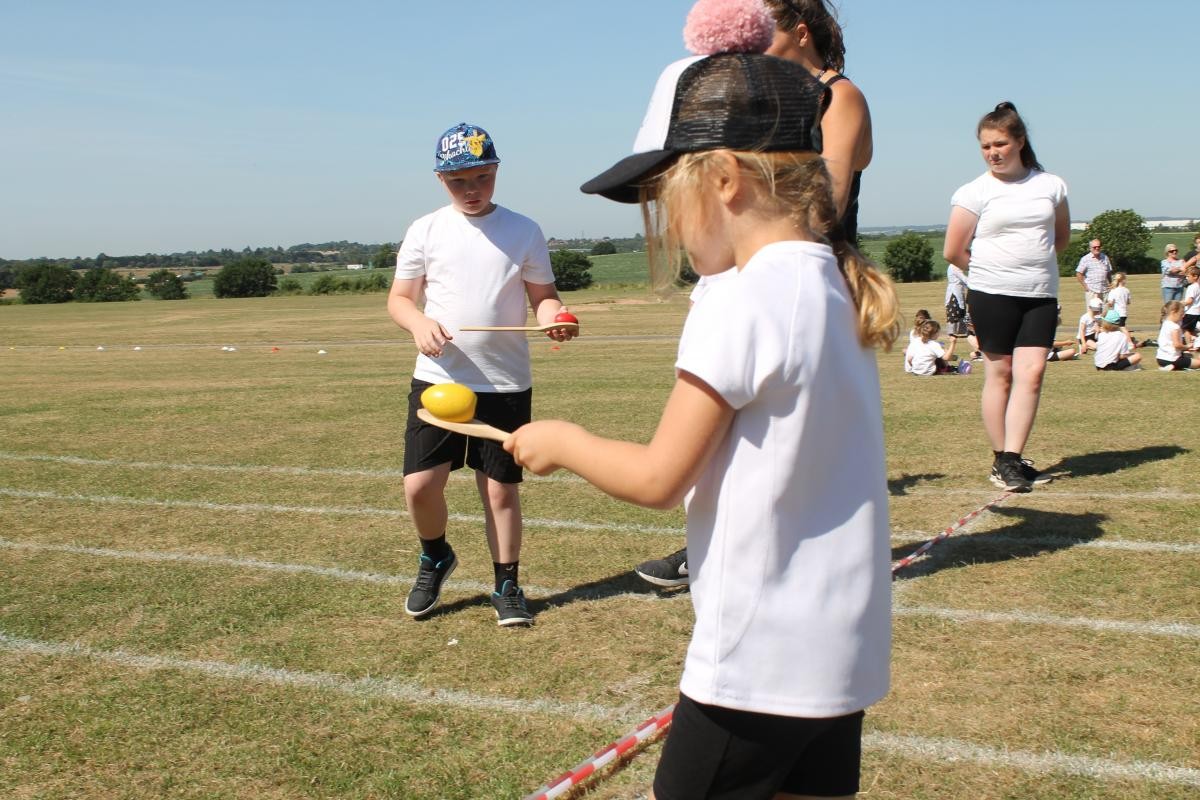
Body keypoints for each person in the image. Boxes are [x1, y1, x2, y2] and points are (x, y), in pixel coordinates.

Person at [516, 53, 899, 800]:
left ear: (725, 179)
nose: (671, 226)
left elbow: (660, 477)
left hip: (757, 664)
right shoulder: (831, 280)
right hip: (841, 654)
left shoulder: (740, 298)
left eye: (668, 196)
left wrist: (560, 442)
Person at [636, 0, 876, 590]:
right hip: (762, 263)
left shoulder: (835, 95)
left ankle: (745, 556)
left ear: (799, 30)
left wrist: (767, 255)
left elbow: (828, 199)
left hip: (792, 271)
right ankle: (717, 544)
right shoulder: (764, 91)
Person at [387, 121, 575, 627]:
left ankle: (507, 583)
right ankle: (435, 556)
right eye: (459, 182)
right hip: (440, 379)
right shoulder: (425, 230)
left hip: (505, 382)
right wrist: (420, 323)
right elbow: (400, 301)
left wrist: (554, 318)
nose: (472, 190)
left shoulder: (524, 230)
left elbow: (544, 298)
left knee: (499, 488)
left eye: (482, 178)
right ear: (441, 180)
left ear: (496, 171)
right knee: (420, 485)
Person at [944, 102, 1069, 492]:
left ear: (1019, 141)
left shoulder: (1051, 185)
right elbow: (954, 250)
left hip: (1040, 295)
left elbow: (1059, 239)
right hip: (991, 294)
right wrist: (988, 275)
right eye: (985, 146)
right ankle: (1002, 459)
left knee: (1032, 375)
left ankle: (1013, 458)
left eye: (999, 143)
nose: (992, 152)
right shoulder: (974, 192)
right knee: (1000, 375)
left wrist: (1031, 269)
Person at [944, 262, 981, 362]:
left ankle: (978, 350)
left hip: (958, 298)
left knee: (964, 327)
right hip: (954, 298)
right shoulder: (954, 267)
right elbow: (965, 280)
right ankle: (950, 353)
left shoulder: (955, 267)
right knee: (954, 327)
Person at [1156, 301, 1200, 371]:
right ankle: (1172, 366)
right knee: (1198, 363)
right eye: (1181, 314)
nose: (1183, 316)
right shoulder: (1174, 327)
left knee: (1188, 356)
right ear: (1173, 312)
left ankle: (1169, 367)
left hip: (1160, 359)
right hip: (1172, 359)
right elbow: (1177, 345)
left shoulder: (1165, 323)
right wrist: (1187, 346)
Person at [1075, 239, 1112, 309]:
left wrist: (1111, 284)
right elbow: (1079, 273)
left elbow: (1109, 272)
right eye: (1094, 247)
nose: (1097, 248)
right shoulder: (1085, 259)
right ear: (1090, 248)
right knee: (1092, 313)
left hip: (1104, 290)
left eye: (1099, 246)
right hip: (1092, 290)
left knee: (1104, 313)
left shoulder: (1105, 257)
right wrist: (1086, 287)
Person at [1105, 271, 1133, 345]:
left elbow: (1110, 304)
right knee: (1118, 328)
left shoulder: (1113, 291)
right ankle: (1118, 342)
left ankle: (1130, 342)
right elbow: (1128, 302)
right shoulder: (1127, 290)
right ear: (1124, 280)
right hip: (1124, 313)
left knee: (1121, 327)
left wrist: (1108, 303)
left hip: (1116, 313)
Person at [1181, 266, 1200, 347]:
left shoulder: (1192, 287)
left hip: (1191, 312)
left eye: (1188, 276)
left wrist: (1181, 303)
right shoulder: (1197, 286)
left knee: (1184, 329)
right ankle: (1195, 343)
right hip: (1196, 312)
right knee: (1191, 330)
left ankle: (1189, 345)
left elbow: (1190, 301)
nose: (1186, 278)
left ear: (1195, 276)